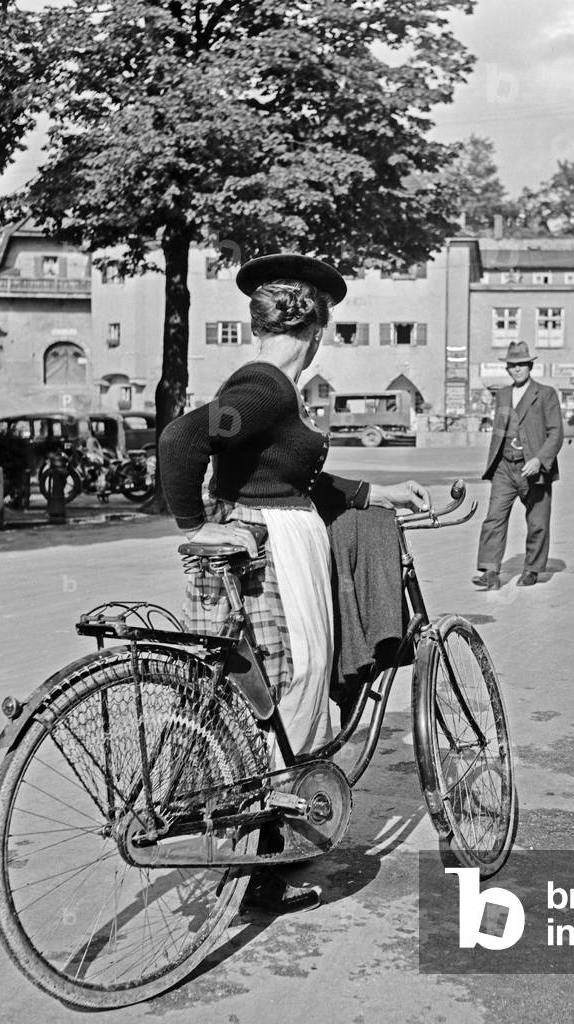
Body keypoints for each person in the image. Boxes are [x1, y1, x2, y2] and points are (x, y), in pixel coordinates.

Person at [159, 253, 429, 913]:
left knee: (271, 691)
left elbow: (290, 472)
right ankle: (268, 864)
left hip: (279, 530)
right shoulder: (269, 388)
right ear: (317, 331)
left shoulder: (266, 389)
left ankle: (261, 847)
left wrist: (377, 491)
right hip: (273, 546)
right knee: (297, 685)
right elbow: (180, 440)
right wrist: (195, 524)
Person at [472, 341, 563, 590]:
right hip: (505, 467)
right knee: (494, 518)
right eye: (512, 365)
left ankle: (532, 568)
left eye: (521, 364)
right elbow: (499, 431)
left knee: (538, 522)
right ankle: (490, 571)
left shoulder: (546, 394)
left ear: (530, 366)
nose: (517, 369)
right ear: (507, 368)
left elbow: (556, 434)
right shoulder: (502, 394)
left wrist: (539, 460)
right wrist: (495, 461)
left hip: (534, 469)